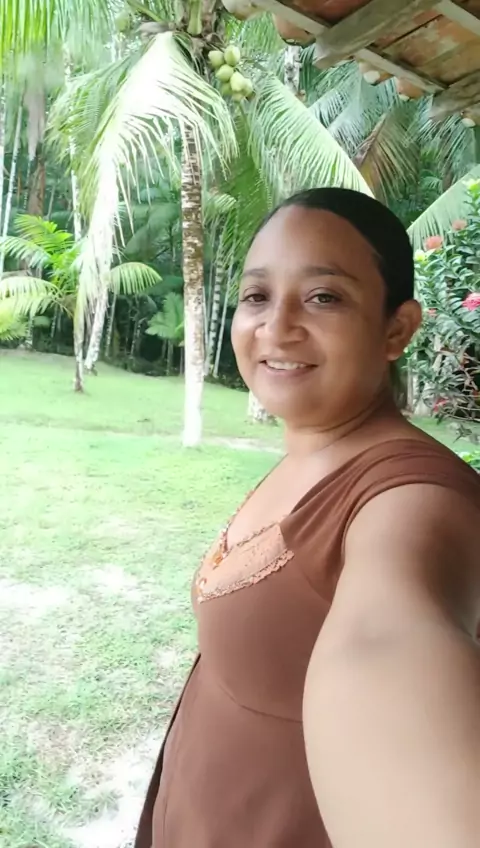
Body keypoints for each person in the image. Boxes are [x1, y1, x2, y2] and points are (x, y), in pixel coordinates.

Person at [135, 188, 480, 848]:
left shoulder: (416, 499)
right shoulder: (314, 450)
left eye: (324, 297)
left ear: (397, 329)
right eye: (258, 295)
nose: (277, 325)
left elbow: (388, 638)